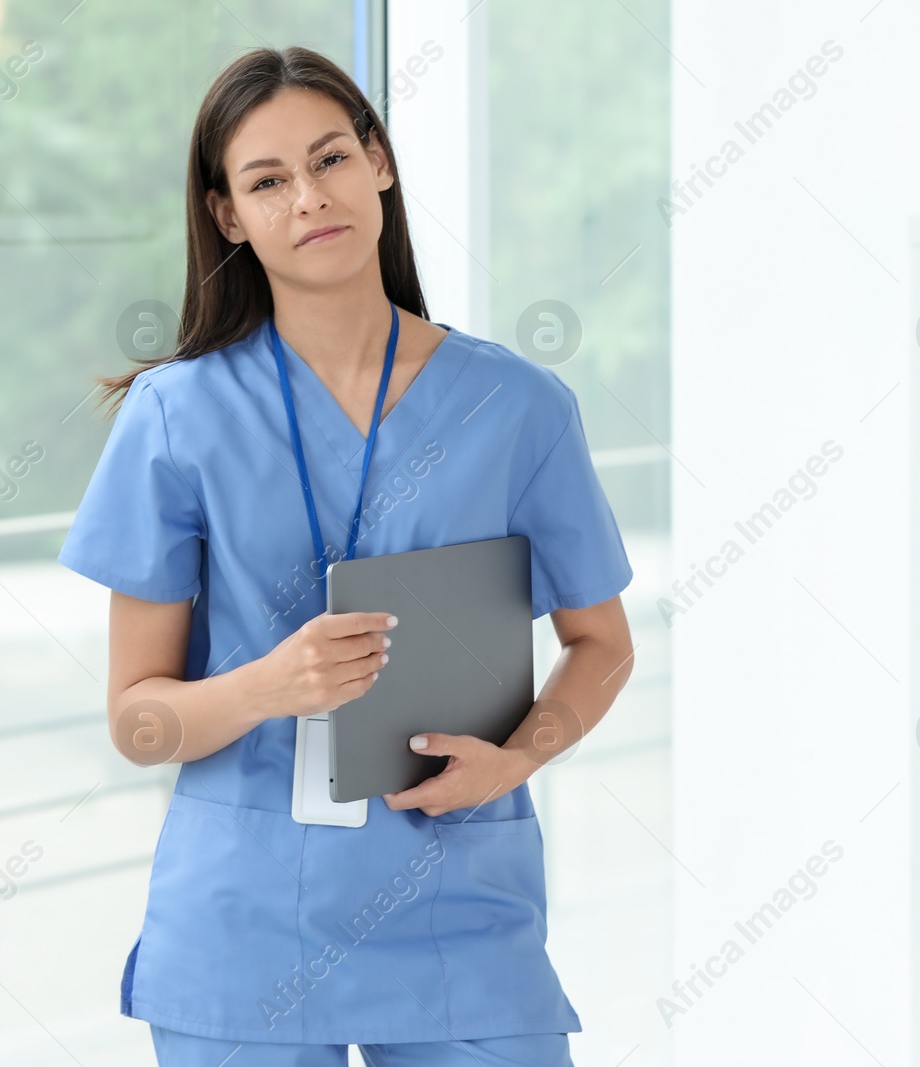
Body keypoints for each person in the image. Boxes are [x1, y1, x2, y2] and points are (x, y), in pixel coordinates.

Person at [58, 44, 636, 1067]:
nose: (307, 197)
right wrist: (269, 684)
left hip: (460, 904)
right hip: (242, 926)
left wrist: (521, 751)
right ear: (227, 215)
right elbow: (138, 720)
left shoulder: (518, 407)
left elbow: (601, 643)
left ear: (378, 162)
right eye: (266, 180)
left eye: (329, 159)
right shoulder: (175, 417)